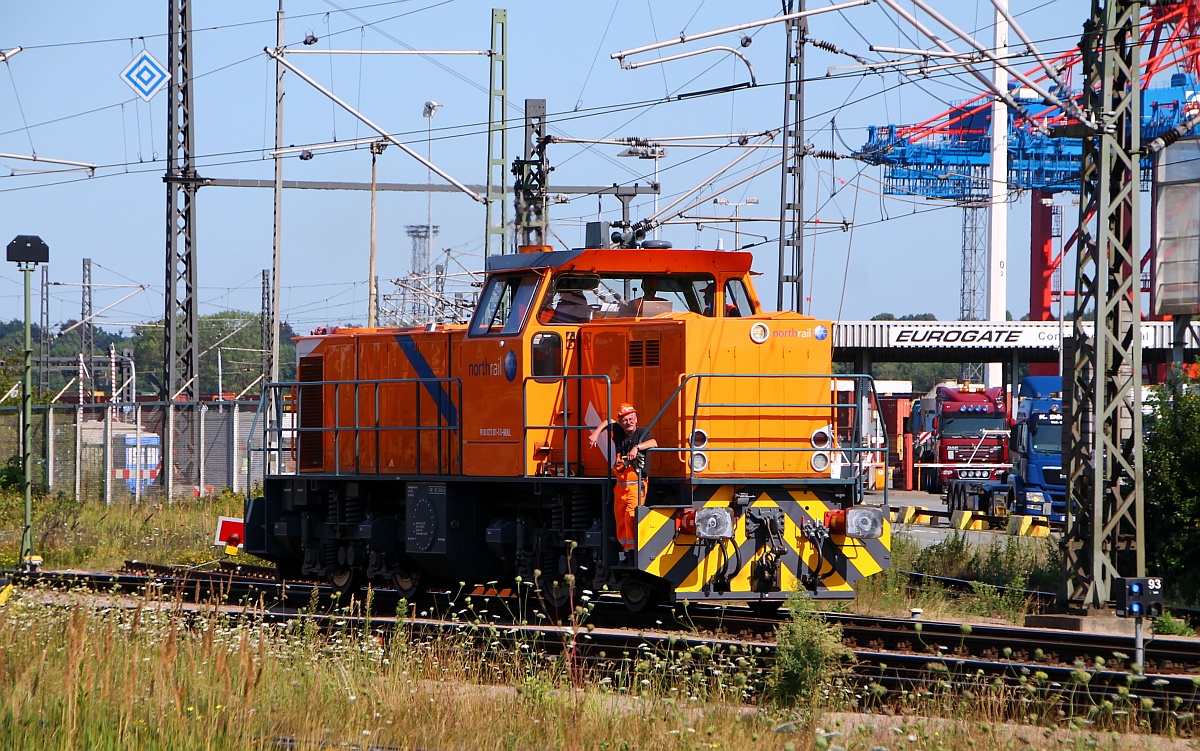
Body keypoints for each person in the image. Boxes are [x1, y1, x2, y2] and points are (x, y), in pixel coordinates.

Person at [588, 403, 657, 562]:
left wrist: (637, 448)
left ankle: (632, 553)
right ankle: (626, 550)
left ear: (636, 419)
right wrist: (596, 434)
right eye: (625, 420)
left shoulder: (641, 432)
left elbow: (654, 443)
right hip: (620, 487)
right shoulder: (619, 432)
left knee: (631, 517)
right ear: (621, 422)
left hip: (636, 486)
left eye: (631, 418)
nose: (629, 422)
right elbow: (607, 422)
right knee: (620, 519)